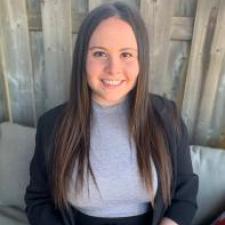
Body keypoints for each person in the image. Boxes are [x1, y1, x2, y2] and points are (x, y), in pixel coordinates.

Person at [24, 2, 198, 225]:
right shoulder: (52, 125)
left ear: (140, 61)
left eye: (126, 54)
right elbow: (37, 200)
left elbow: (186, 191)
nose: (113, 69)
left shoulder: (166, 117)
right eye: (99, 54)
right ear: (82, 60)